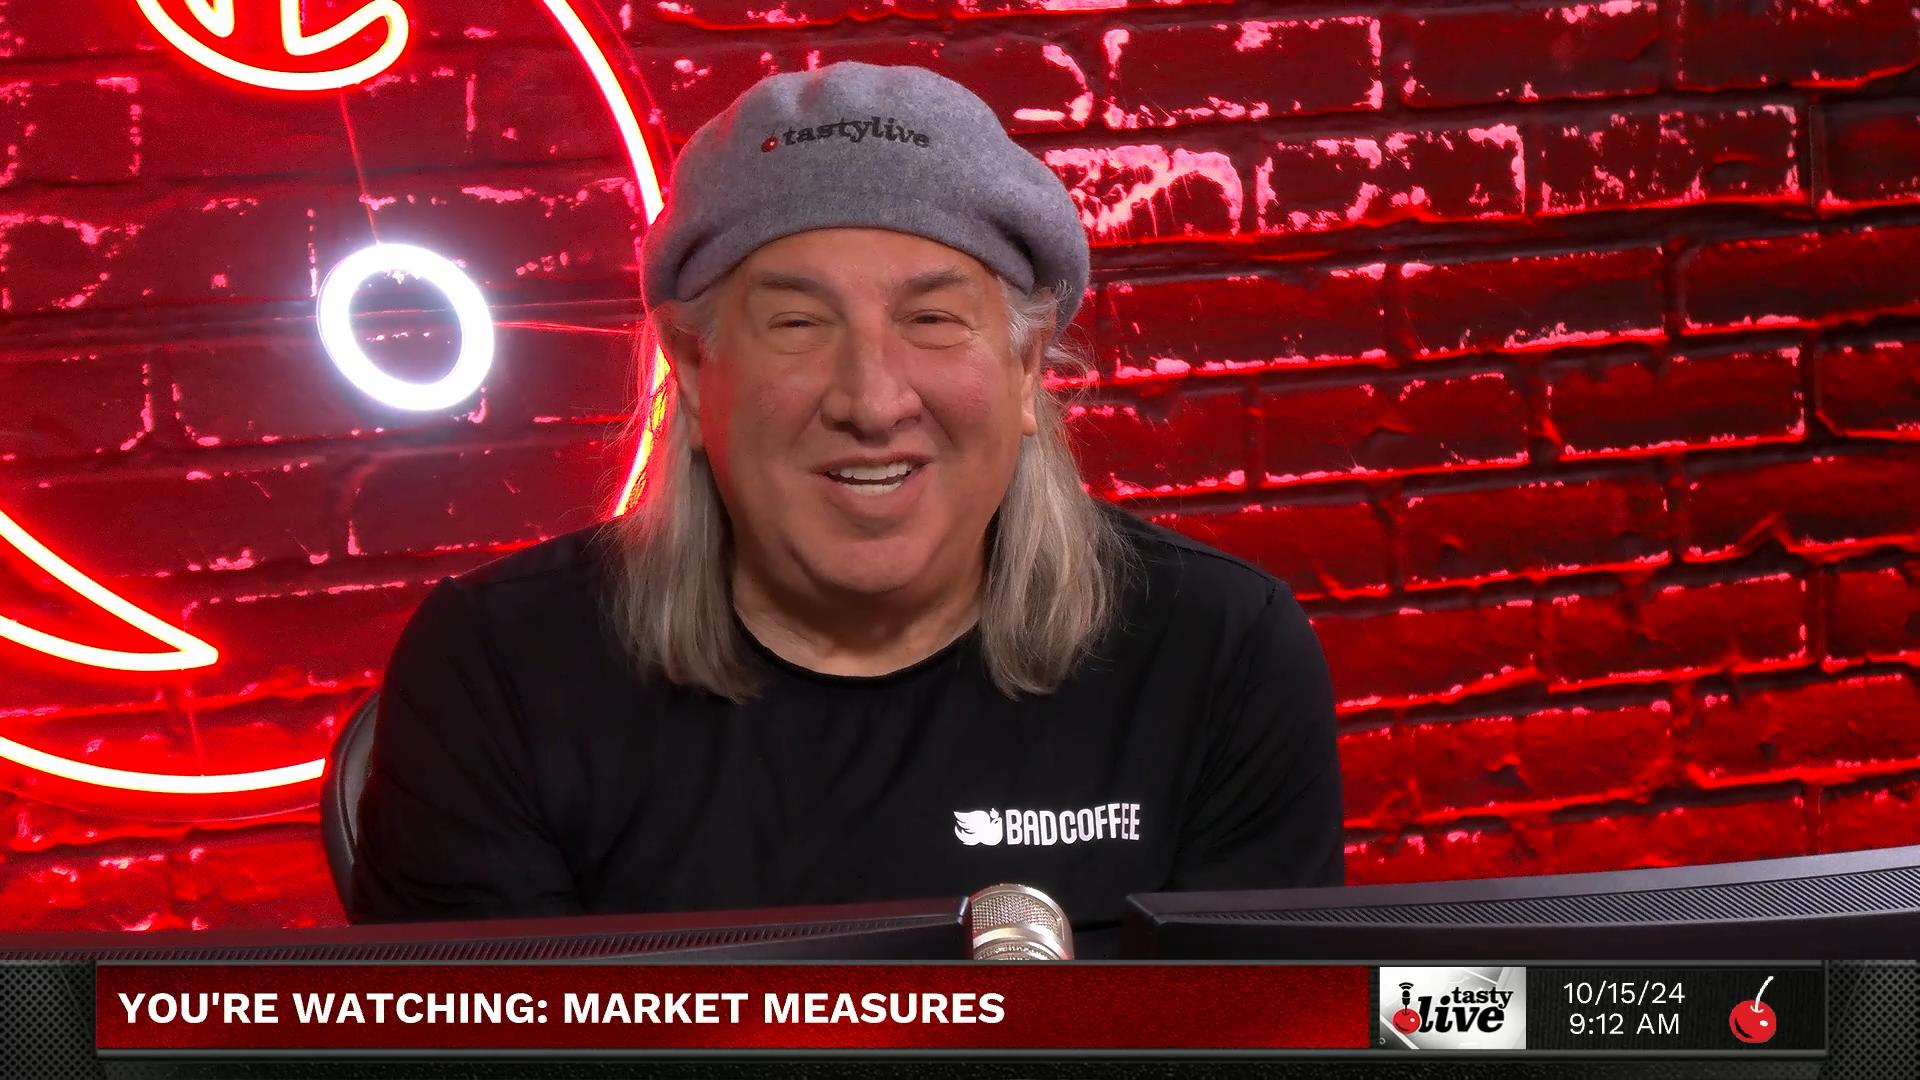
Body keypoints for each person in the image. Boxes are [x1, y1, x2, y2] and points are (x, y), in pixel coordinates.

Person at [348, 62, 1344, 948]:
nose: (871, 400)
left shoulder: (1217, 655)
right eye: (796, 323)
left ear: (1027, 368)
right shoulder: (498, 672)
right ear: (693, 371)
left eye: (933, 319)